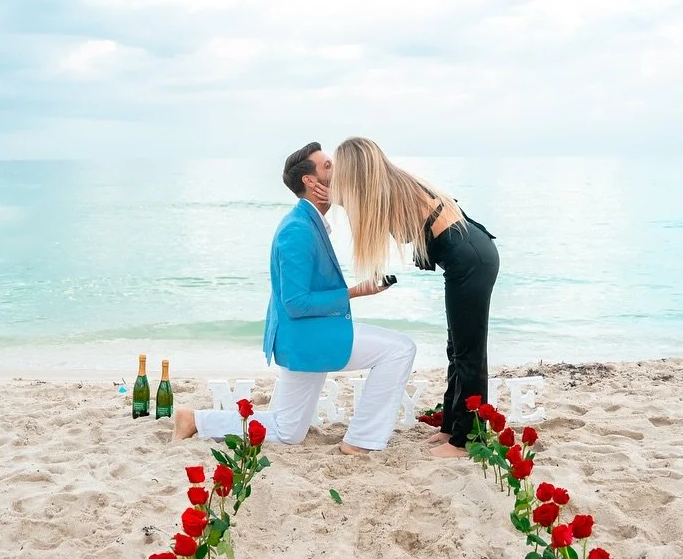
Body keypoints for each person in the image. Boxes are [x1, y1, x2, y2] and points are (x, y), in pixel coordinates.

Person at [173, 143, 417, 455]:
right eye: (328, 166)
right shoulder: (298, 230)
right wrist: (357, 291)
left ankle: (195, 420)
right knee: (399, 349)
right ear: (310, 181)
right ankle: (361, 441)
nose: (337, 169)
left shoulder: (308, 222)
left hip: (303, 337)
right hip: (308, 337)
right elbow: (296, 303)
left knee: (288, 430)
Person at [330, 137, 499, 459]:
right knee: (456, 348)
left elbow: (393, 227)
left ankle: (467, 441)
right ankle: (452, 427)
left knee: (469, 352)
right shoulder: (392, 184)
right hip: (467, 255)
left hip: (471, 259)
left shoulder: (388, 191)